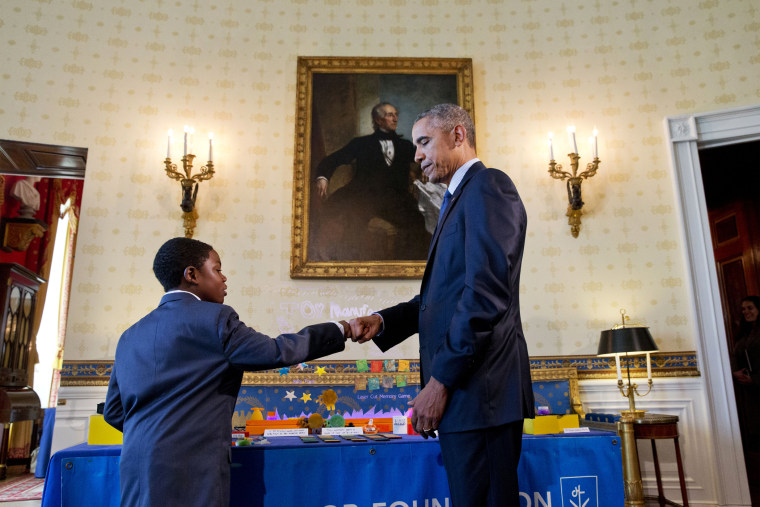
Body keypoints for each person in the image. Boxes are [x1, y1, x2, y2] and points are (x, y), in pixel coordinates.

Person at [348, 104, 534, 507]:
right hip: (469, 398)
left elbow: (485, 295)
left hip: (479, 394)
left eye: (424, 142)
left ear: (458, 136)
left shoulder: (489, 186)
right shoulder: (457, 199)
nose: (416, 155)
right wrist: (384, 321)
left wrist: (440, 382)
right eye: (415, 144)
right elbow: (444, 298)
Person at [103, 237, 350, 507]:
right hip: (192, 471)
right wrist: (343, 329)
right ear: (192, 274)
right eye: (217, 269)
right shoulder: (216, 318)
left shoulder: (129, 336)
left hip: (135, 470)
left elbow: (114, 412)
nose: (224, 278)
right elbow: (277, 351)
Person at [312, 102, 430, 260]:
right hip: (364, 198)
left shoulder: (405, 146)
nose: (395, 118)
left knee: (417, 222)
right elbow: (333, 159)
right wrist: (323, 177)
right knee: (353, 226)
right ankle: (348, 267)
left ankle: (407, 266)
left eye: (396, 115)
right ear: (378, 120)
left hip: (395, 200)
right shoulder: (361, 144)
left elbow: (427, 158)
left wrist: (424, 168)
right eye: (390, 115)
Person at [732, 295, 760, 452]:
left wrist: (754, 379)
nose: (746, 312)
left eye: (750, 308)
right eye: (743, 309)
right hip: (748, 393)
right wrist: (735, 372)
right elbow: (734, 355)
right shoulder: (743, 333)